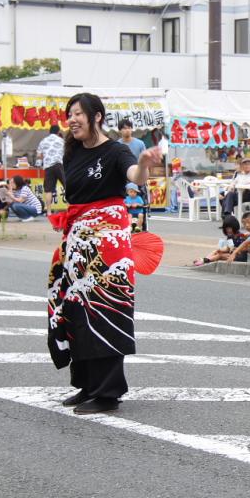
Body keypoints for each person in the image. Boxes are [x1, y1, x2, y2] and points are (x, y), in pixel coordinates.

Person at [47, 92, 162, 415]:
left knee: (105, 310)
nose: (72, 119)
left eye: (78, 113)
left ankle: (108, 392)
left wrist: (143, 165)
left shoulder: (116, 150)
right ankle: (86, 384)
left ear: (97, 116)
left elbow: (133, 177)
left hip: (108, 246)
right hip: (77, 243)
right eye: (69, 114)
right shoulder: (71, 152)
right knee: (76, 309)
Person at [37, 124, 66, 210]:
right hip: (59, 165)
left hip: (48, 166)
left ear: (49, 132)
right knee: (67, 186)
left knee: (48, 189)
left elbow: (39, 155)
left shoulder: (43, 141)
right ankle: (70, 208)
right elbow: (67, 154)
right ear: (58, 132)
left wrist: (45, 157)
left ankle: (49, 211)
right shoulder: (61, 141)